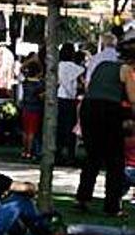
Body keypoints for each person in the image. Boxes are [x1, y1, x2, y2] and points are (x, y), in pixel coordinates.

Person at [76, 32, 135, 216]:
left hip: (88, 108)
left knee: (93, 157)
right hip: (108, 111)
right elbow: (133, 98)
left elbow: (91, 87)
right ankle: (112, 206)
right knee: (115, 161)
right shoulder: (126, 70)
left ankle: (83, 198)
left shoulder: (102, 65)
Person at [56, 43, 84, 164]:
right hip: (70, 99)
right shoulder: (76, 68)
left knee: (59, 128)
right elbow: (81, 81)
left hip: (59, 97)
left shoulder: (58, 66)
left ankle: (58, 153)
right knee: (70, 128)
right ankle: (70, 155)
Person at [19, 62, 44, 160]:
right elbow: (40, 96)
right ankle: (29, 152)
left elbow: (22, 68)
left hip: (25, 108)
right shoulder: (39, 85)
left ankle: (24, 151)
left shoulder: (26, 82)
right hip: (35, 109)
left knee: (25, 131)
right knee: (32, 132)